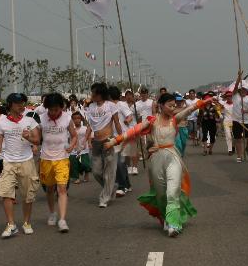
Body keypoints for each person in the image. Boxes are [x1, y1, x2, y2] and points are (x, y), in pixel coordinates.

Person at [106, 93, 215, 237]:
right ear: (160, 106)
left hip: (173, 157)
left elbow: (190, 109)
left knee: (172, 191)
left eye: (174, 106)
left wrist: (204, 102)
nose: (172, 108)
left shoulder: (175, 120)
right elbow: (134, 130)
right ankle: (166, 217)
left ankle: (174, 224)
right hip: (156, 159)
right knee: (162, 193)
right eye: (169, 106)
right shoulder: (151, 121)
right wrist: (115, 141)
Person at [0, 93, 41, 238]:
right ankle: (11, 225)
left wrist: (29, 137)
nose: (21, 106)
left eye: (23, 103)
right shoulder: (2, 123)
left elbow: (37, 140)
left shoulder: (30, 121)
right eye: (18, 103)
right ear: (10, 104)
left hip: (26, 161)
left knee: (27, 196)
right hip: (8, 162)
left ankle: (26, 223)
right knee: (5, 192)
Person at [36, 92, 77, 233]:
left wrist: (72, 145)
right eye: (50, 110)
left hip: (62, 158)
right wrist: (33, 142)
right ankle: (52, 212)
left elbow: (74, 135)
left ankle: (62, 219)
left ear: (61, 107)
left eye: (56, 109)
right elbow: (36, 137)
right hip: (46, 158)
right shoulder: (41, 119)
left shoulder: (67, 118)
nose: (53, 112)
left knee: (62, 189)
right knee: (49, 189)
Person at [84, 82, 124, 208]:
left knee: (109, 171)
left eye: (93, 93)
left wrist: (120, 137)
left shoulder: (111, 106)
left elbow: (117, 122)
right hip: (96, 142)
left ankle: (104, 198)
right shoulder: (91, 107)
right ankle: (111, 187)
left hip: (109, 140)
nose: (92, 95)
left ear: (100, 94)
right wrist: (85, 139)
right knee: (96, 171)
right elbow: (89, 125)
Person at [229, 80, 248, 163]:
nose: (244, 91)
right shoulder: (235, 96)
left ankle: (247, 148)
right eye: (242, 90)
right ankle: (239, 156)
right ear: (240, 90)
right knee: (238, 139)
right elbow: (235, 88)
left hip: (246, 121)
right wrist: (238, 78)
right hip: (236, 121)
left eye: (245, 90)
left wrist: (245, 111)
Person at [69, 111, 92, 185]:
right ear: (72, 120)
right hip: (74, 149)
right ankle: (76, 177)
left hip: (83, 148)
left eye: (78, 118)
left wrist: (89, 143)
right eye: (75, 118)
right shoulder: (71, 129)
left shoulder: (85, 128)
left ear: (81, 119)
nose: (77, 120)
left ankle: (86, 173)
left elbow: (89, 136)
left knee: (84, 163)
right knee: (74, 163)